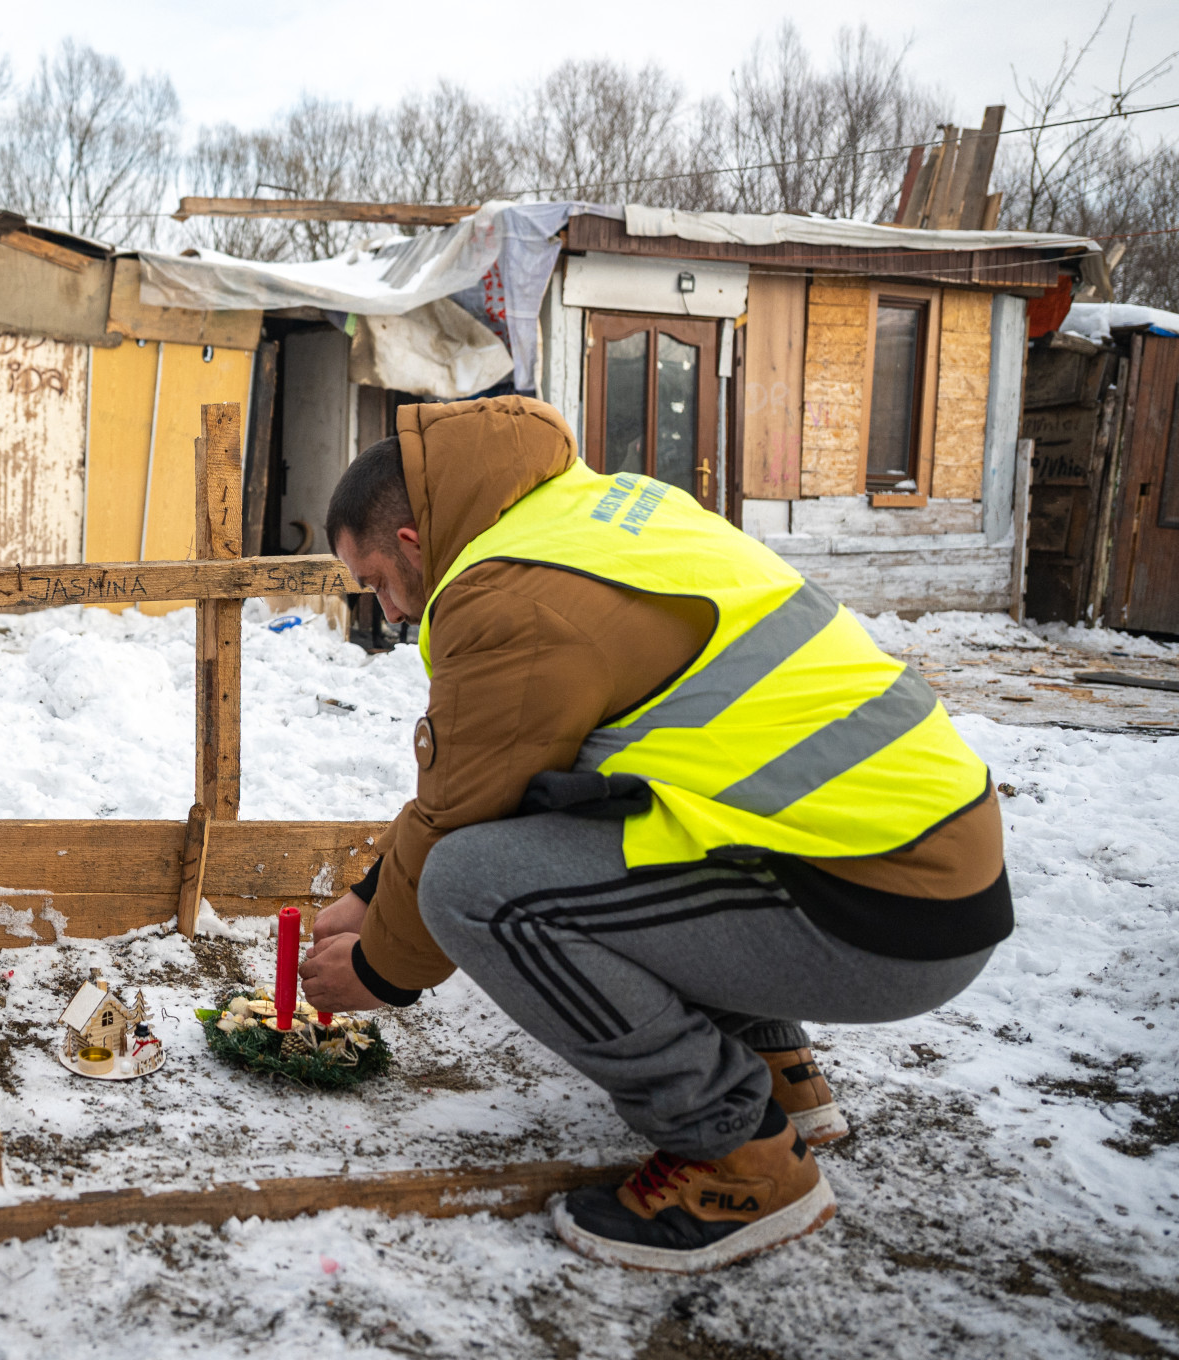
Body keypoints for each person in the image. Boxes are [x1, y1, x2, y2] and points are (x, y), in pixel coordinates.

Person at [302, 398, 1011, 1273]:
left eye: (375, 581)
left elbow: (464, 819)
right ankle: (776, 1072)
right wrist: (373, 893)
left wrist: (380, 969)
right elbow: (497, 778)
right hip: (916, 851)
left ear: (413, 542)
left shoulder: (502, 598)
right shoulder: (591, 511)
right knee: (584, 811)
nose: (384, 609)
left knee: (471, 888)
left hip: (886, 907)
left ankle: (737, 1158)